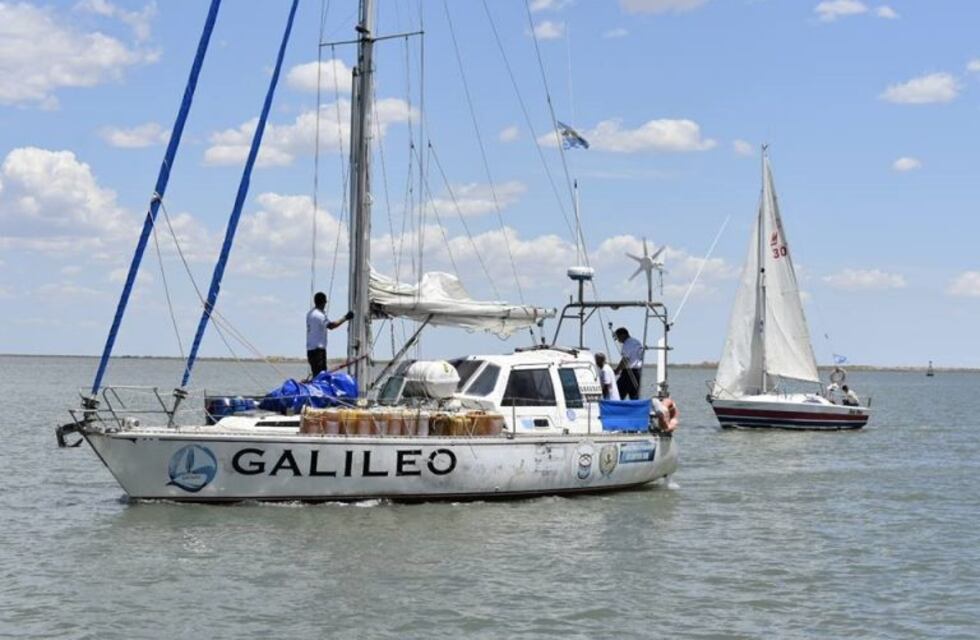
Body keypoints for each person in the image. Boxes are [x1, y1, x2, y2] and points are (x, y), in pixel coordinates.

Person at [306, 292, 353, 377]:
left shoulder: (310, 314)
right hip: (318, 351)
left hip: (310, 351)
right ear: (323, 302)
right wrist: (346, 317)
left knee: (316, 375)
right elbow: (331, 326)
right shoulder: (319, 315)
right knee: (321, 376)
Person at [613, 327, 644, 400]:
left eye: (618, 337)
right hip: (638, 373)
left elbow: (626, 359)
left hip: (628, 373)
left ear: (623, 335)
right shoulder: (637, 342)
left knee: (617, 395)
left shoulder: (627, 344)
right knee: (634, 396)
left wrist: (617, 370)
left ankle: (615, 410)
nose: (618, 340)